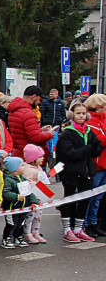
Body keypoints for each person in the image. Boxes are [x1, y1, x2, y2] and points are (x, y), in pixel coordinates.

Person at [56, 101, 103, 242]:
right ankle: (67, 229)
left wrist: (94, 148)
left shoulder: (88, 131)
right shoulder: (67, 133)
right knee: (69, 200)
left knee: (84, 200)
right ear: (72, 115)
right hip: (70, 172)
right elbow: (71, 153)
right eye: (78, 113)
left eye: (83, 113)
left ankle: (78, 229)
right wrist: (89, 148)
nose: (81, 116)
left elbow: (96, 149)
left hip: (86, 172)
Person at [7, 85, 54, 160]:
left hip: (19, 152)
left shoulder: (14, 111)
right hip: (30, 156)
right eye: (39, 99)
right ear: (34, 97)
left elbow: (23, 133)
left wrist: (41, 130)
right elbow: (36, 138)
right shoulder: (28, 113)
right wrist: (49, 134)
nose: (39, 102)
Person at [82, 94, 106, 236]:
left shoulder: (102, 120)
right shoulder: (91, 121)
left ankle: (93, 222)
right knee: (91, 196)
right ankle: (85, 224)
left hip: (104, 163)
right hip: (97, 165)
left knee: (98, 198)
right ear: (99, 107)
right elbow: (99, 140)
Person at [0, 157, 33, 248]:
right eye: (22, 165)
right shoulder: (8, 180)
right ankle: (7, 238)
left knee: (20, 223)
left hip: (23, 207)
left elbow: (30, 192)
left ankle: (18, 237)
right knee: (11, 224)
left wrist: (33, 202)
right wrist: (17, 197)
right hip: (11, 208)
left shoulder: (24, 180)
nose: (24, 167)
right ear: (14, 168)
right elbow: (5, 193)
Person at [20, 144, 48, 244]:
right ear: (33, 159)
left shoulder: (39, 168)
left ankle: (36, 232)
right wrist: (34, 184)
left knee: (38, 216)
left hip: (39, 197)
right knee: (30, 216)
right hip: (31, 198)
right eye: (40, 157)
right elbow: (26, 183)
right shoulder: (27, 170)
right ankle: (27, 233)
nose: (42, 158)